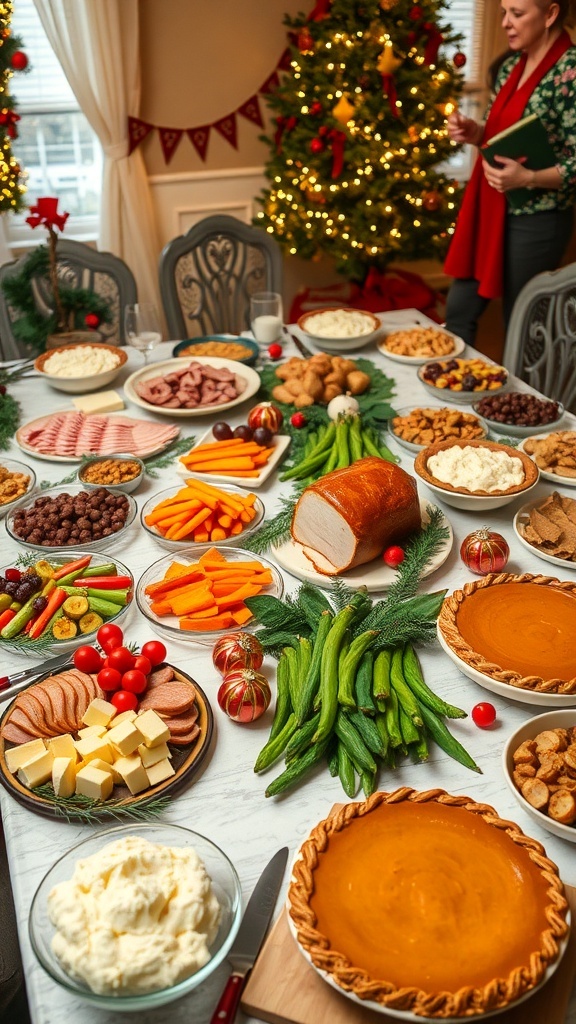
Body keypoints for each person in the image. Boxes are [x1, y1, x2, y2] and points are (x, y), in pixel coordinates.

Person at [443, 0, 576, 347]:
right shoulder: (511, 65)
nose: (505, 23)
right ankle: (448, 396)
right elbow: (502, 135)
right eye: (504, 12)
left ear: (550, 14)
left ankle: (522, 401)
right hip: (490, 207)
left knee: (523, 328)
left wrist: (528, 179)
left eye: (517, 13)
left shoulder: (571, 72)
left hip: (537, 218)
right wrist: (474, 132)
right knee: (459, 309)